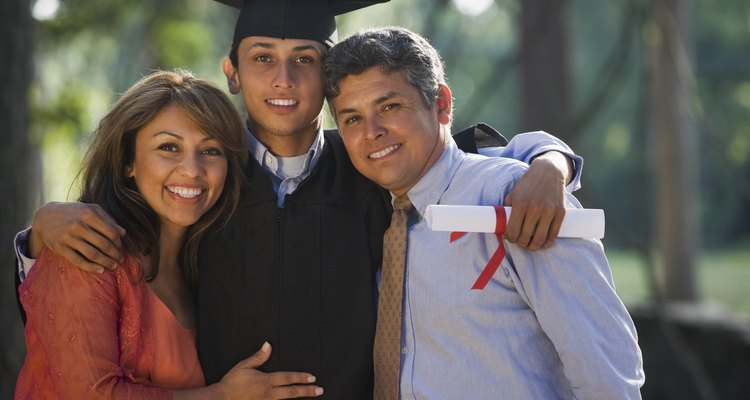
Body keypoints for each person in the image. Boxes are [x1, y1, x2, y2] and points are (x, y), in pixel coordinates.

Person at [14, 0, 586, 397]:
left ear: (328, 76)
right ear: (232, 73)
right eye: (262, 57)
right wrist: (38, 233)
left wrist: (552, 161)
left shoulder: (370, 166)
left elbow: (471, 155)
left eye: (304, 60)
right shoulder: (208, 179)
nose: (283, 79)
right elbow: (109, 299)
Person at [323, 26, 644, 399]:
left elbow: (606, 374)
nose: (372, 132)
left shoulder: (516, 198)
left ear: (441, 104)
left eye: (389, 107)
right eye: (352, 119)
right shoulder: (376, 213)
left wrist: (553, 163)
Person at [14, 70, 323, 399]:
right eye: (169, 147)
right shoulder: (86, 251)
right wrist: (222, 396)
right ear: (127, 162)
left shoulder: (210, 264)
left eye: (211, 151)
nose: (192, 169)